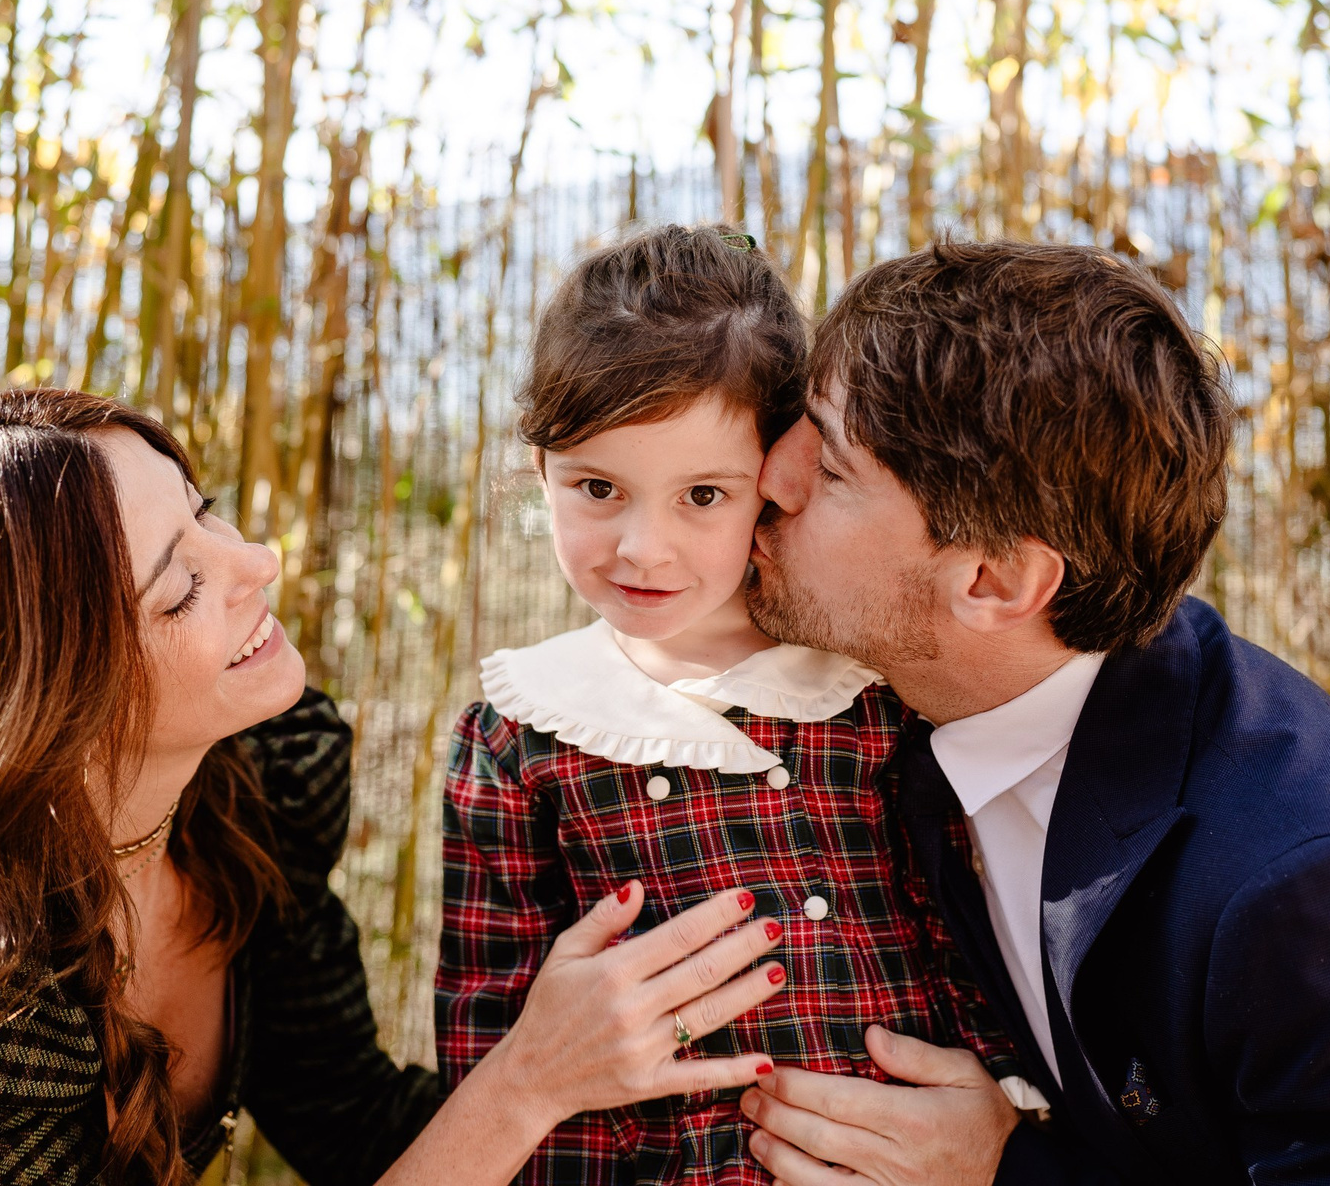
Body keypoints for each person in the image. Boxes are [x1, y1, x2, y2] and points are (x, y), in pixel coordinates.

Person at [0, 389, 788, 1186]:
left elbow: (352, 1121)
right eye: (181, 586)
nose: (257, 561)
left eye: (207, 512)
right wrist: (527, 1083)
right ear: (36, 701)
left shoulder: (253, 789)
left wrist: (750, 1126)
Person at [733, 240, 1330, 1184]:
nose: (772, 473)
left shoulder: (1319, 895)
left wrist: (1007, 1175)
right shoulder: (898, 695)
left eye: (834, 466)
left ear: (996, 581)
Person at [437, 226, 1039, 1186]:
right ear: (540, 470)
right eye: (598, 487)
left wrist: (1011, 1107)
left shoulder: (874, 692)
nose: (644, 548)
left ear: (776, 476)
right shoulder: (521, 733)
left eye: (703, 496)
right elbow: (494, 1035)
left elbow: (969, 934)